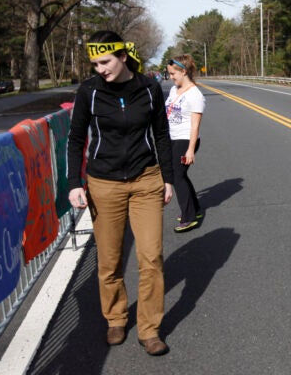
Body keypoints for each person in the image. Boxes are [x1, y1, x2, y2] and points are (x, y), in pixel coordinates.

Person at [67, 30, 174, 356]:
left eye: (105, 62)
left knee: (151, 257)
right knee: (109, 260)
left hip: (146, 180)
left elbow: (161, 134)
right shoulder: (89, 91)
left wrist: (168, 179)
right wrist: (74, 183)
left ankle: (149, 329)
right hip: (104, 183)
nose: (100, 69)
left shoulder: (149, 88)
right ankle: (115, 318)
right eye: (95, 64)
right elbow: (75, 138)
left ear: (123, 56)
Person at [165, 55, 205, 232]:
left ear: (183, 71)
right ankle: (195, 209)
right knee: (180, 175)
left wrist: (190, 150)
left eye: (173, 73)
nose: (170, 77)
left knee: (177, 176)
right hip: (173, 138)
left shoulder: (195, 95)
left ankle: (189, 217)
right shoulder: (174, 90)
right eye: (169, 73)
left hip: (186, 140)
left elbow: (195, 126)